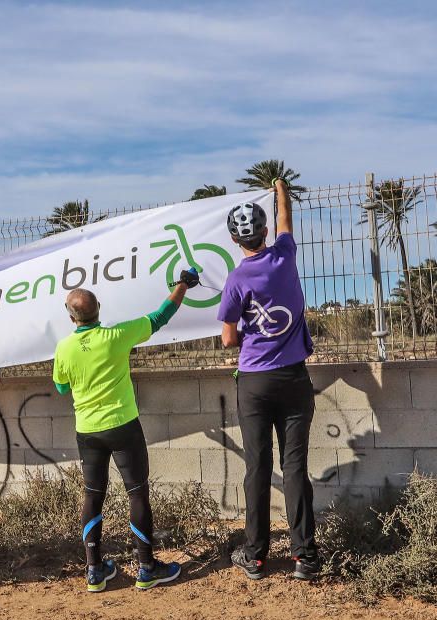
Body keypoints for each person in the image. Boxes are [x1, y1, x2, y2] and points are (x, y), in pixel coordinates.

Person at [53, 267, 200, 592]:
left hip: (87, 431)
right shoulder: (117, 336)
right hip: (123, 426)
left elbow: (62, 388)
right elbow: (160, 316)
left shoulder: (63, 348)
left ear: (71, 316)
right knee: (137, 493)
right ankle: (146, 568)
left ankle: (95, 571)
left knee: (93, 495)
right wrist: (182, 285)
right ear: (99, 311)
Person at [218, 178, 319, 581]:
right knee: (296, 468)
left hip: (255, 383)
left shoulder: (236, 280)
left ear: (233, 238)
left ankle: (256, 557)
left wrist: (251, 332)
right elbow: (286, 218)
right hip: (294, 378)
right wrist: (279, 189)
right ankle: (305, 557)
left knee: (257, 467)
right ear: (265, 233)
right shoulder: (285, 256)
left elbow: (228, 339)